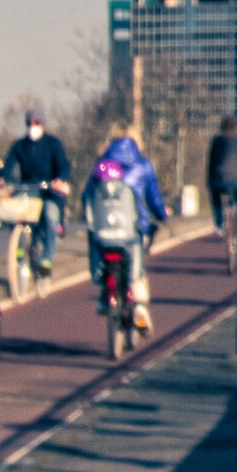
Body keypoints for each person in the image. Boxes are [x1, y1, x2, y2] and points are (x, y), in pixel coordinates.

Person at [88, 128, 168, 333]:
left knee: (100, 252)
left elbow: (88, 195)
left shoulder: (102, 164)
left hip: (104, 227)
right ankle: (140, 307)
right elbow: (153, 197)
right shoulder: (143, 164)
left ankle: (104, 294)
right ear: (136, 142)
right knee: (137, 267)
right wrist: (162, 215)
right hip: (134, 227)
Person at [1, 108, 71, 277]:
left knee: (51, 216)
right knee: (13, 213)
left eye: (36, 122)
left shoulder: (53, 144)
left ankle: (47, 259)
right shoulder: (20, 145)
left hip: (48, 192)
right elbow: (9, 164)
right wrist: (2, 178)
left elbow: (63, 165)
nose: (33, 126)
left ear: (43, 124)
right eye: (29, 123)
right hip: (28, 190)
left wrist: (59, 179)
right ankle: (19, 248)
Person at [204, 115, 237, 236]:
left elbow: (211, 161)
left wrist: (208, 180)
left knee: (216, 202)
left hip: (218, 179)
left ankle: (219, 225)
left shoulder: (217, 140)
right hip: (236, 180)